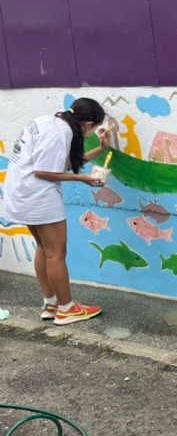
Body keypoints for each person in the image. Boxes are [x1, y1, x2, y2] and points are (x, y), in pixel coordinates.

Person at [2, 98, 111, 325]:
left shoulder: (49, 122)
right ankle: (67, 309)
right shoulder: (61, 133)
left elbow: (62, 164)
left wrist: (101, 149)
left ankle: (51, 303)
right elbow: (43, 171)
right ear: (89, 124)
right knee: (56, 253)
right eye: (94, 129)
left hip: (20, 191)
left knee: (44, 248)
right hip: (38, 196)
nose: (92, 133)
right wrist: (83, 179)